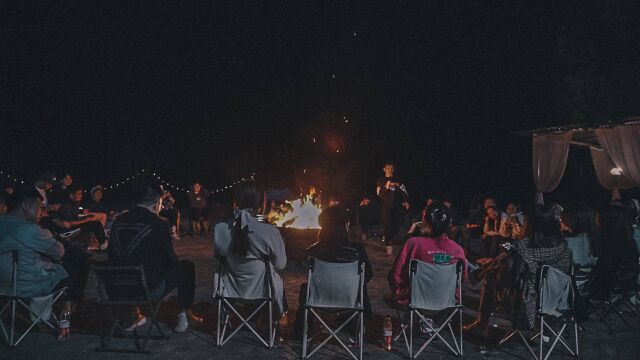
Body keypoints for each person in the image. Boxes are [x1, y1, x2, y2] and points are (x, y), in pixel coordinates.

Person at [464, 204, 572, 332]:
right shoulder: (563, 245)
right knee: (501, 263)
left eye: (525, 221)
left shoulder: (525, 246)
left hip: (531, 299)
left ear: (531, 224)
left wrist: (505, 257)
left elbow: (512, 272)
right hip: (559, 299)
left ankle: (482, 322)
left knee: (492, 274)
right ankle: (480, 272)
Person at [108, 185, 201, 332]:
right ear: (156, 204)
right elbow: (169, 258)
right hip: (147, 288)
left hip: (117, 287)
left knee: (133, 262)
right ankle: (185, 315)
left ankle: (133, 313)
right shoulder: (158, 224)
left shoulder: (119, 222)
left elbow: (112, 254)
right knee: (186, 267)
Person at [0, 197, 91, 322]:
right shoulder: (29, 229)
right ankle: (65, 310)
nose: (42, 213)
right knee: (79, 262)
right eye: (39, 208)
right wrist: (49, 236)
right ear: (25, 206)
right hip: (26, 285)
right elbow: (59, 252)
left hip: (3, 283)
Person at [293, 206, 374, 337]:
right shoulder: (357, 250)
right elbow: (368, 275)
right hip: (349, 298)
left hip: (320, 297)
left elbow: (311, 276)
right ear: (345, 226)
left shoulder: (313, 251)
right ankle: (355, 324)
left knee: (305, 287)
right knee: (360, 286)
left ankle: (301, 330)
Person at [213, 187, 288, 318]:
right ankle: (272, 321)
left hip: (230, 291)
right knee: (273, 277)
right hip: (262, 292)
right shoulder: (270, 232)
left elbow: (219, 257)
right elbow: (280, 265)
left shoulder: (220, 229)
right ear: (260, 208)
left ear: (235, 205)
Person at [388, 202, 467, 307]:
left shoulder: (413, 244)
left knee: (389, 295)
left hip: (416, 301)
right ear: (449, 223)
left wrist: (399, 292)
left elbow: (396, 274)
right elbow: (461, 280)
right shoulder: (458, 250)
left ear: (425, 221)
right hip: (447, 302)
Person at [589, 204, 640, 301]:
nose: (596, 221)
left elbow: (605, 268)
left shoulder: (612, 242)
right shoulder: (627, 238)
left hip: (613, 284)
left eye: (598, 218)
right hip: (628, 282)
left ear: (608, 221)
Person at [56, 185, 109, 251]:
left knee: (96, 222)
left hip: (76, 226)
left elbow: (76, 216)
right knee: (96, 224)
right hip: (70, 231)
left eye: (81, 194)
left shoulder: (75, 204)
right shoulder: (66, 206)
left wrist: (83, 214)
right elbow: (69, 224)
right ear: (71, 195)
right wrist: (86, 220)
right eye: (79, 194)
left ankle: (102, 243)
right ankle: (103, 244)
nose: (81, 196)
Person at [376, 163, 409, 246]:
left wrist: (405, 201)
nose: (390, 170)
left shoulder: (398, 179)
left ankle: (392, 238)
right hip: (386, 205)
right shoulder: (380, 180)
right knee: (387, 224)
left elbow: (404, 191)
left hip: (397, 205)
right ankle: (388, 243)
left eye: (391, 168)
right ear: (384, 169)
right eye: (388, 168)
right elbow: (380, 194)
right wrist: (387, 185)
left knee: (397, 223)